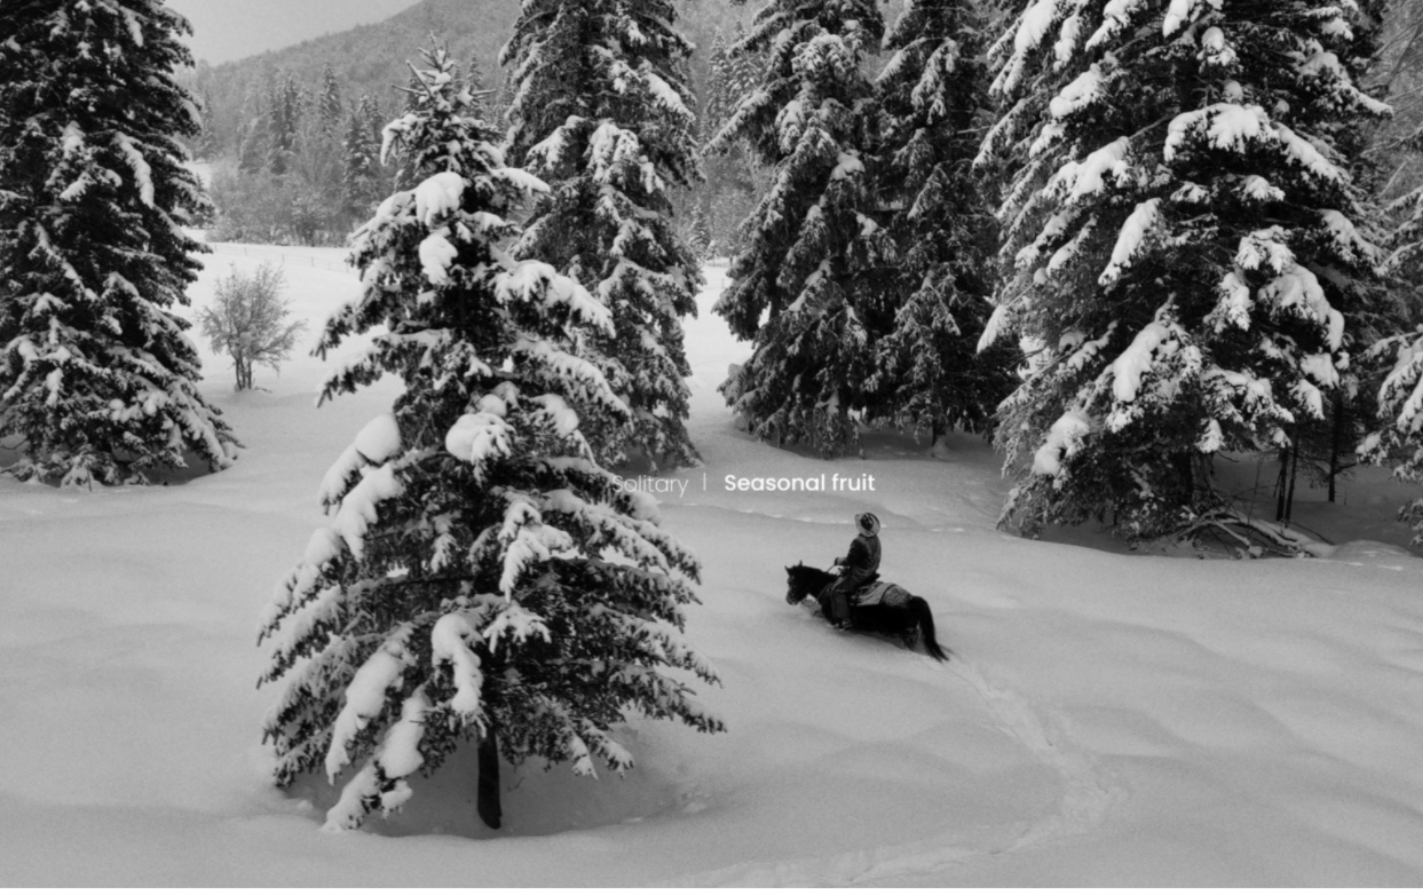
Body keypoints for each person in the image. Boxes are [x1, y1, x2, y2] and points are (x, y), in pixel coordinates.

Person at [825, 512, 881, 629]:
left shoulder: (859, 541)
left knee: (837, 590)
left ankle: (845, 620)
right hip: (871, 571)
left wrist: (838, 561)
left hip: (859, 574)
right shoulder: (875, 538)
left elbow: (850, 560)